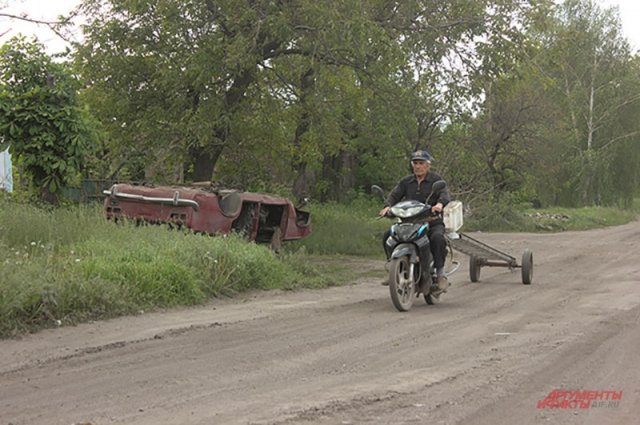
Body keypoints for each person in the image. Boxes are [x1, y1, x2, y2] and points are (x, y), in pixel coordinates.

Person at [378, 149, 451, 292]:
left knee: (437, 238)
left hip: (431, 220)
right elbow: (394, 195)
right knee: (388, 235)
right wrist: (387, 207)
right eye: (415, 163)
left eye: (421, 163)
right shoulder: (406, 182)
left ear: (428, 165)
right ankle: (393, 268)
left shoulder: (436, 180)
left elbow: (444, 195)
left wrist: (439, 204)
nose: (418, 166)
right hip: (408, 221)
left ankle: (440, 274)